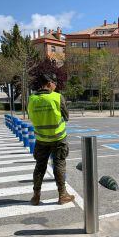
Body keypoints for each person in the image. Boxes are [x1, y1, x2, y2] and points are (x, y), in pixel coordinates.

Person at [28, 73, 75, 205]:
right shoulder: (57, 97)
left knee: (39, 167)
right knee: (59, 165)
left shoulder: (32, 99)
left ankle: (36, 196)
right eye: (55, 83)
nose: (56, 86)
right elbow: (66, 117)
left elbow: (30, 116)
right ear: (49, 83)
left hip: (41, 139)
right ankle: (62, 195)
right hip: (58, 138)